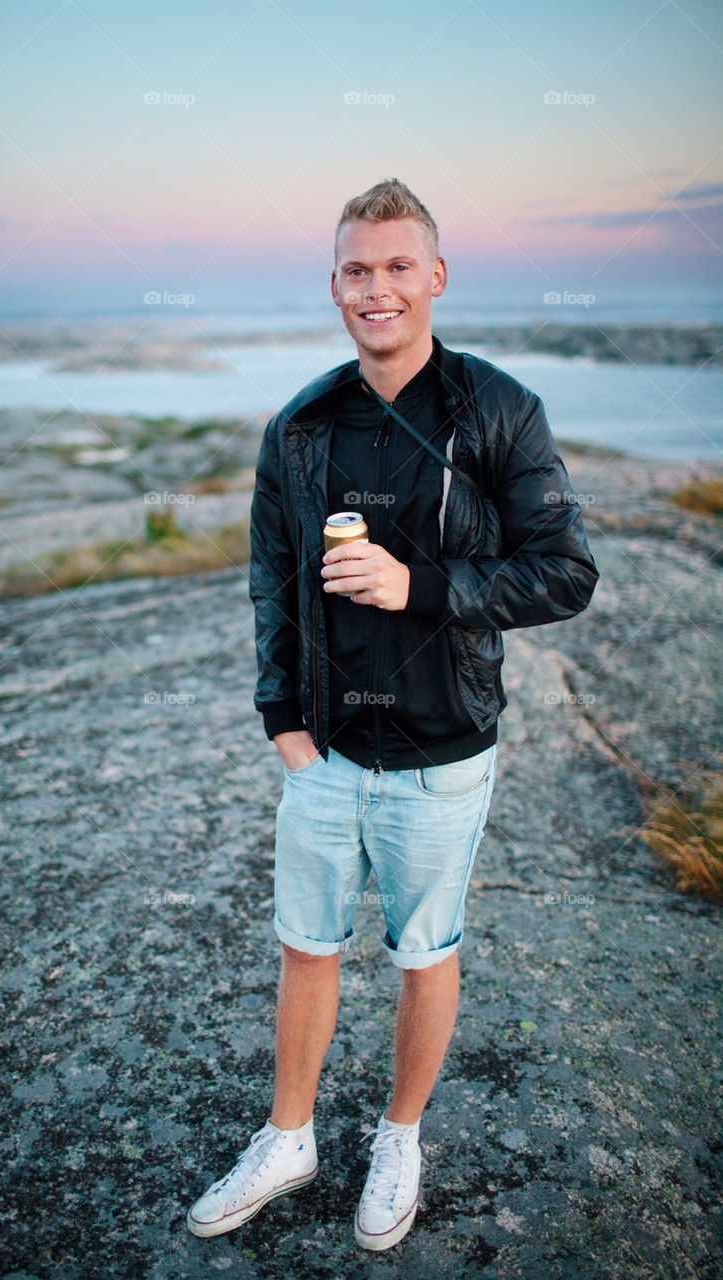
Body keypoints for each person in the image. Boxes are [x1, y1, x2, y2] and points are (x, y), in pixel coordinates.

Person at [186, 178, 598, 1251]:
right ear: (335, 285)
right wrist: (279, 710)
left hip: (443, 747)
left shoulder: (497, 408)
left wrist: (420, 584)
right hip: (325, 747)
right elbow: (271, 571)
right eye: (357, 271)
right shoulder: (302, 422)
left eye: (398, 267)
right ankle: (289, 1136)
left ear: (436, 277)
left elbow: (563, 571)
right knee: (305, 945)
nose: (378, 289)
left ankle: (399, 1132)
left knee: (425, 950)